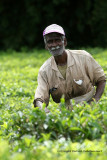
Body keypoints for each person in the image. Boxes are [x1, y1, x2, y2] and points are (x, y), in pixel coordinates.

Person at [33, 24, 106, 113]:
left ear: (65, 42)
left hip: (90, 107)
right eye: (50, 42)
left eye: (57, 40)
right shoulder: (44, 70)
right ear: (46, 46)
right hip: (66, 112)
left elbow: (101, 80)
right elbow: (39, 99)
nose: (54, 44)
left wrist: (94, 101)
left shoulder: (83, 57)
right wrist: (44, 110)